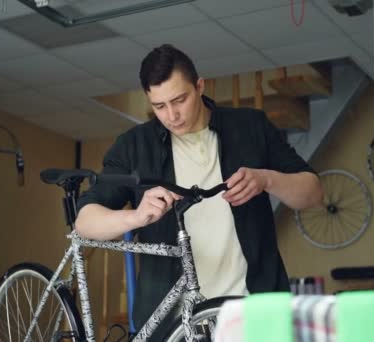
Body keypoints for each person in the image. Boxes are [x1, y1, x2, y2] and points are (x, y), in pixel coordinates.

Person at [75, 44, 323, 339]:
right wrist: (136, 217)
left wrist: (268, 180)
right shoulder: (134, 146)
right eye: (159, 106)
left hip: (254, 311)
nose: (172, 115)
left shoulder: (250, 126)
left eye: (180, 100)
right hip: (175, 324)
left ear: (200, 86)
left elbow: (313, 192)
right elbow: (85, 221)